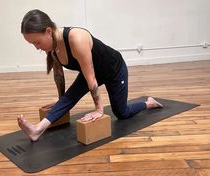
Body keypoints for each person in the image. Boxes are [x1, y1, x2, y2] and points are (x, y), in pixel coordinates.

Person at [18, 9, 163, 141]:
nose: (37, 47)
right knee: (69, 97)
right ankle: (37, 129)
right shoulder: (52, 46)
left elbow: (90, 77)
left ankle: (148, 103)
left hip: (114, 70)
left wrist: (99, 110)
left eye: (37, 42)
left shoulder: (76, 38)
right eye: (33, 44)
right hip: (93, 73)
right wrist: (61, 100)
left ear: (48, 31)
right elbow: (59, 75)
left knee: (121, 113)